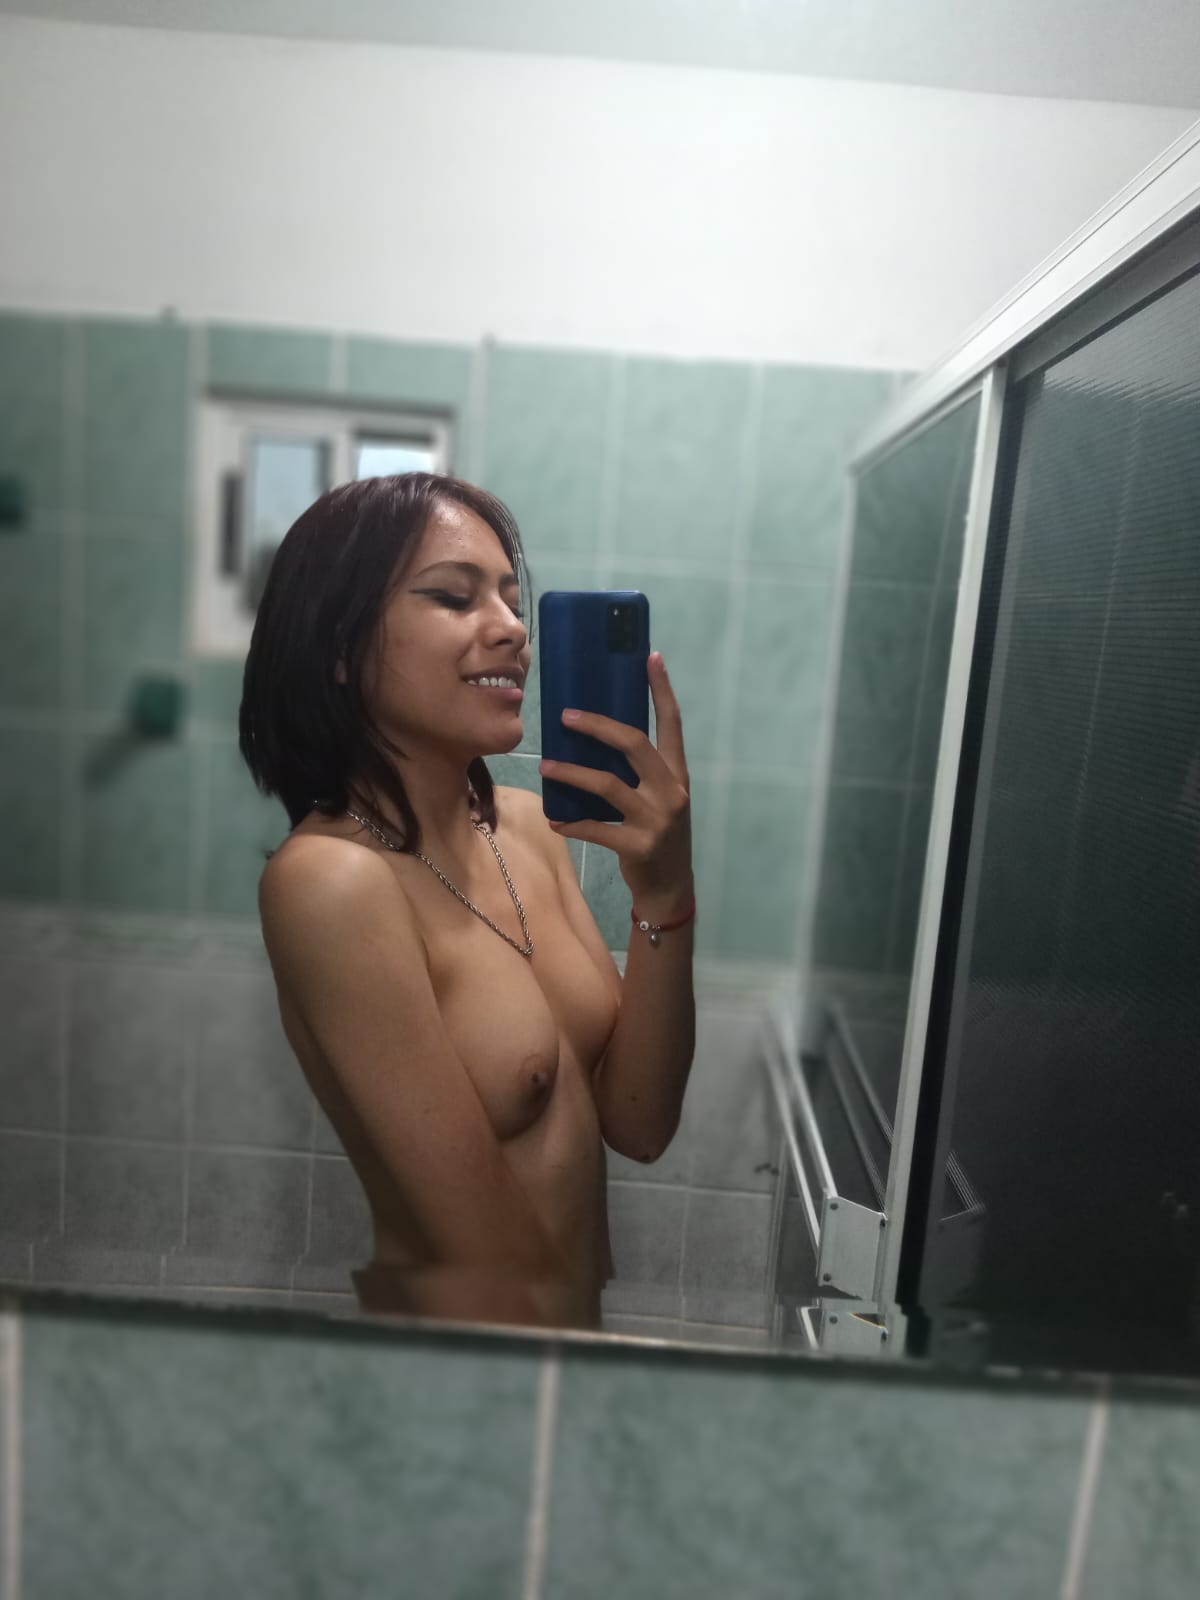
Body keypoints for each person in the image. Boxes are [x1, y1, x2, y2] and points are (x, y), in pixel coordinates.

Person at [239, 472, 696, 1330]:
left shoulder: (527, 829)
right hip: (461, 1370)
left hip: (556, 1355)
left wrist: (668, 889)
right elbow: (485, 1255)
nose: (513, 630)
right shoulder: (331, 881)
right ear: (338, 647)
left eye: (514, 603)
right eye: (454, 597)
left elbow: (640, 1124)